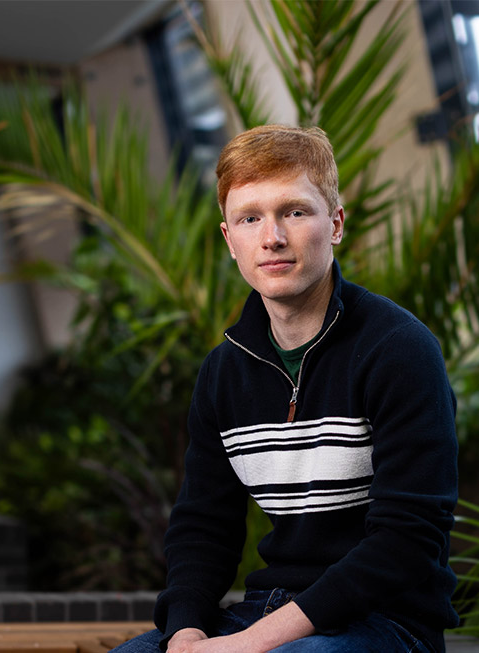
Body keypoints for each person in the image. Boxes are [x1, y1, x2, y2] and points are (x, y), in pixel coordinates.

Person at [110, 125, 459, 653]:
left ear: (336, 224)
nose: (271, 237)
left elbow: (406, 542)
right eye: (250, 218)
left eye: (294, 212)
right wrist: (186, 634)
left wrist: (247, 646)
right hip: (266, 608)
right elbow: (203, 526)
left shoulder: (399, 350)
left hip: (386, 622)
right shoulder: (224, 373)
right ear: (230, 240)